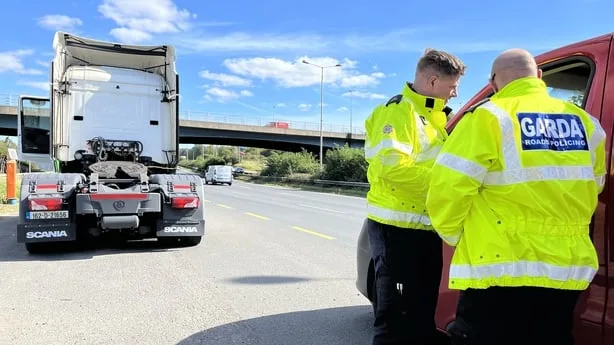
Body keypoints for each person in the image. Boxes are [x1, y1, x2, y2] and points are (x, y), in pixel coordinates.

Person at [425, 48, 606, 345]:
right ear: (539, 76)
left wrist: (460, 236)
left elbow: (447, 190)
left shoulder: (488, 117)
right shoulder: (587, 124)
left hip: (498, 269)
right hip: (566, 268)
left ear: (494, 83)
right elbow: (594, 184)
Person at [364, 48, 466, 345]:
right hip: (397, 230)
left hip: (424, 229)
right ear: (433, 81)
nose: (455, 94)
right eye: (452, 86)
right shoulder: (399, 112)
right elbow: (393, 169)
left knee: (422, 316)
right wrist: (449, 184)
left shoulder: (434, 118)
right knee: (395, 320)